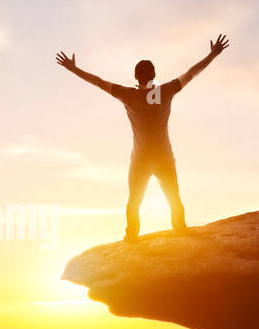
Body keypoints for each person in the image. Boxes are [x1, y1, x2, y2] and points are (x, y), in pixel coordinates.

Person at [56, 34, 228, 241]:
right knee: (174, 198)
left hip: (140, 161)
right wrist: (213, 54)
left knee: (134, 202)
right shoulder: (166, 91)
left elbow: (98, 82)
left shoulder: (128, 95)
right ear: (154, 75)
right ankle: (180, 230)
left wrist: (73, 69)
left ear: (136, 77)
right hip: (165, 159)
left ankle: (131, 237)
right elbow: (191, 73)